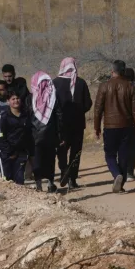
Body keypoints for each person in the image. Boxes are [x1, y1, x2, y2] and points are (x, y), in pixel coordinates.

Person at [94, 60, 135, 193]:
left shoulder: (104, 86)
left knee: (110, 155)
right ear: (123, 71)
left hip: (110, 126)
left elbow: (98, 109)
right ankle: (121, 183)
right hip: (127, 126)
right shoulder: (130, 87)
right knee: (124, 155)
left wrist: (96, 127)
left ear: (112, 71)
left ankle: (116, 174)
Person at [53, 57, 92, 189]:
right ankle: (72, 179)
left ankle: (64, 170)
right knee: (76, 152)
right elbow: (88, 104)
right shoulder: (80, 82)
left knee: (62, 150)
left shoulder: (55, 83)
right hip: (78, 124)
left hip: (60, 125)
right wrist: (79, 111)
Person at [29, 71, 60, 192]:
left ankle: (38, 185)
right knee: (50, 159)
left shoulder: (30, 98)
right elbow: (60, 117)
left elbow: (27, 117)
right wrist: (60, 135)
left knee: (37, 159)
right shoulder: (53, 98)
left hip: (35, 136)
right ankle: (50, 183)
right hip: (50, 135)